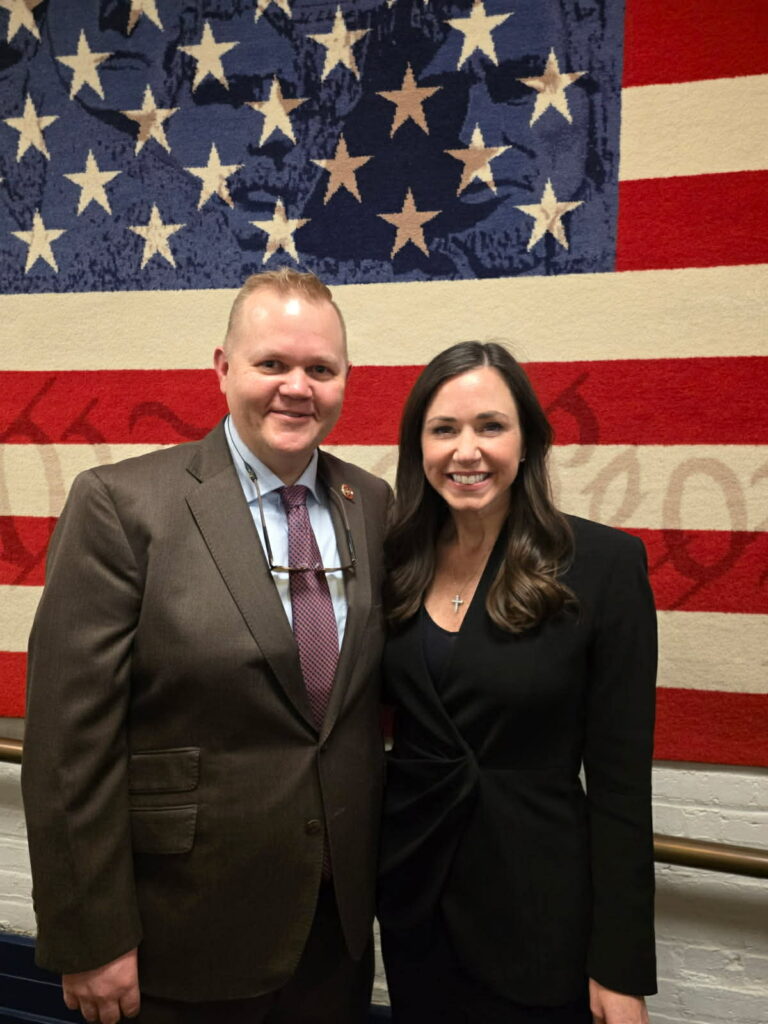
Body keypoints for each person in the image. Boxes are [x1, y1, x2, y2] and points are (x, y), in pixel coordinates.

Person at [22, 268, 391, 1024]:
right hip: (178, 938)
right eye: (273, 364)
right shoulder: (124, 506)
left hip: (333, 937)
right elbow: (67, 746)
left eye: (321, 369)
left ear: (346, 381)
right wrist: (90, 939)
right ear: (222, 368)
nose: (298, 387)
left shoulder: (373, 506)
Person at [377, 342, 657, 1024]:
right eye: (443, 429)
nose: (465, 451)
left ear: (528, 441)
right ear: (419, 447)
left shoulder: (603, 566)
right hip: (417, 904)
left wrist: (620, 970)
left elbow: (621, 785)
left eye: (490, 427)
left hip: (538, 913)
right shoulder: (392, 560)